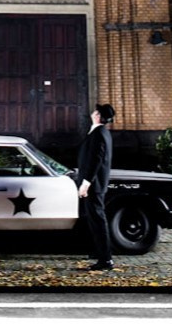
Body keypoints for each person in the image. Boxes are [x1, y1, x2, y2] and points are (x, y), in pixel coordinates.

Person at [76, 103, 116, 271]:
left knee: (98, 220)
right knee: (94, 219)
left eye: (96, 111)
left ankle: (106, 259)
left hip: (94, 185)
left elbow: (95, 160)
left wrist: (86, 183)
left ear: (98, 116)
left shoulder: (98, 133)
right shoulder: (100, 132)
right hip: (95, 184)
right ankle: (98, 251)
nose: (93, 112)